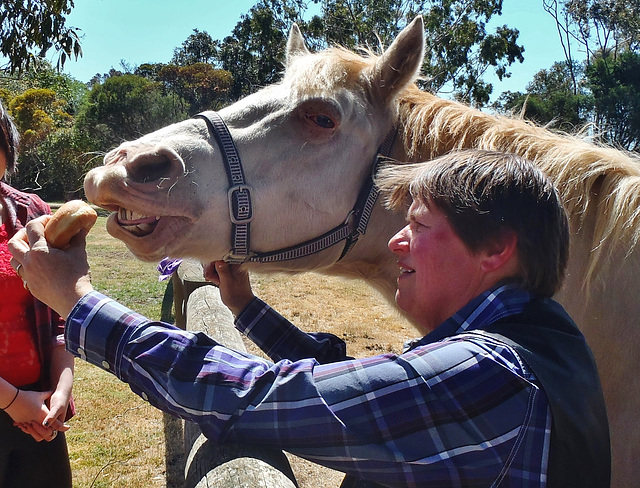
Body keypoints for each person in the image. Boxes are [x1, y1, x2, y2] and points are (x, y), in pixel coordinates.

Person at [8, 149, 610, 488]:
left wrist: (81, 300)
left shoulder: (491, 376)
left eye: (419, 226)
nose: (397, 243)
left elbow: (263, 401)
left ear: (495, 248)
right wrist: (245, 307)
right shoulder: (546, 349)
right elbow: (367, 384)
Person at [0, 100, 74, 487]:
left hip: (39, 406)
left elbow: (59, 310)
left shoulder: (32, 213)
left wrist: (61, 388)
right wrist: (12, 402)